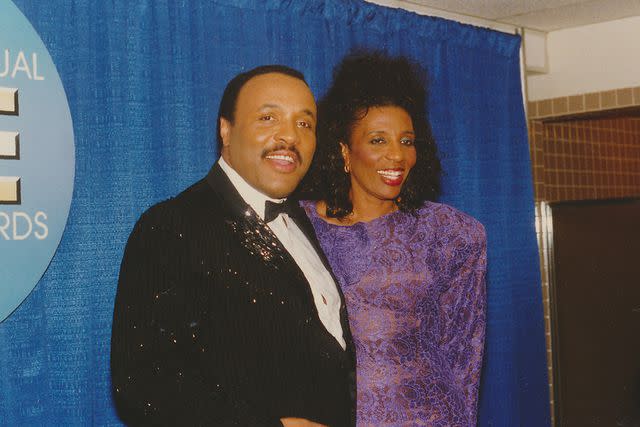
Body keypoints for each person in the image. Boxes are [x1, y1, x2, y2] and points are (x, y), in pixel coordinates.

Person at [111, 65, 356, 427]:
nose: (290, 136)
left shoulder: (301, 221)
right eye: (268, 117)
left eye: (304, 123)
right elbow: (143, 381)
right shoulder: (172, 224)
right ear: (226, 130)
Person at [300, 52, 487, 426]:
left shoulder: (451, 233)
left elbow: (464, 356)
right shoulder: (298, 227)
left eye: (406, 140)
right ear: (344, 152)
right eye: (378, 140)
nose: (396, 155)